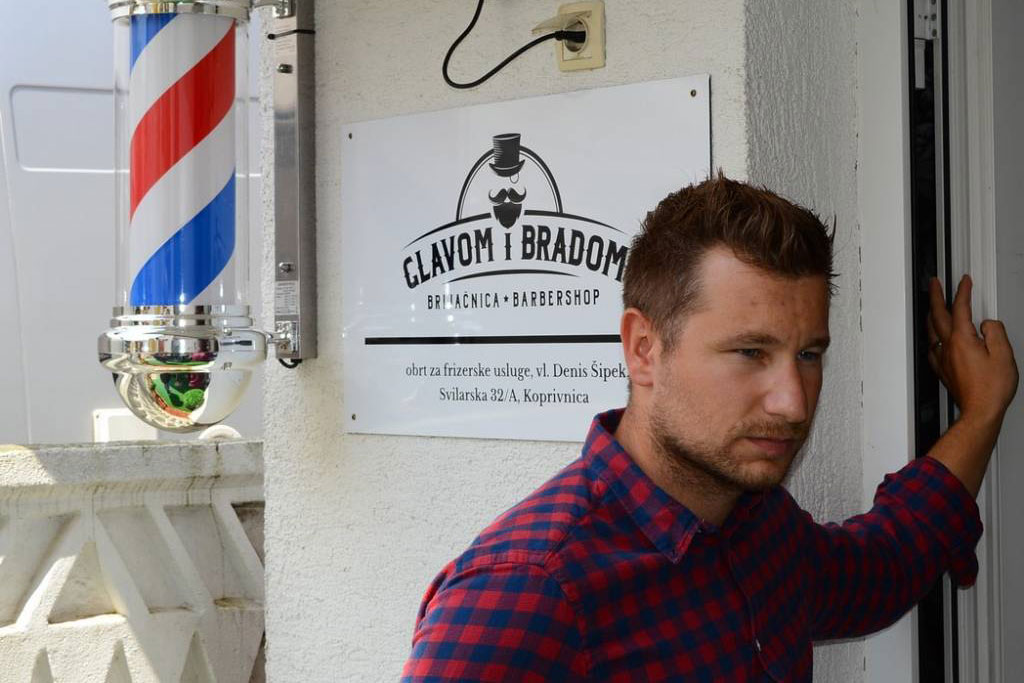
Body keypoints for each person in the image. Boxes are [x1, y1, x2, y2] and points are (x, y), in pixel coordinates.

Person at [401, 175, 1019, 682]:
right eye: (750, 352)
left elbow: (881, 567)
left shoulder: (757, 524)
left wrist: (983, 411)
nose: (793, 404)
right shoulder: (528, 596)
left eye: (808, 354)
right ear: (643, 349)